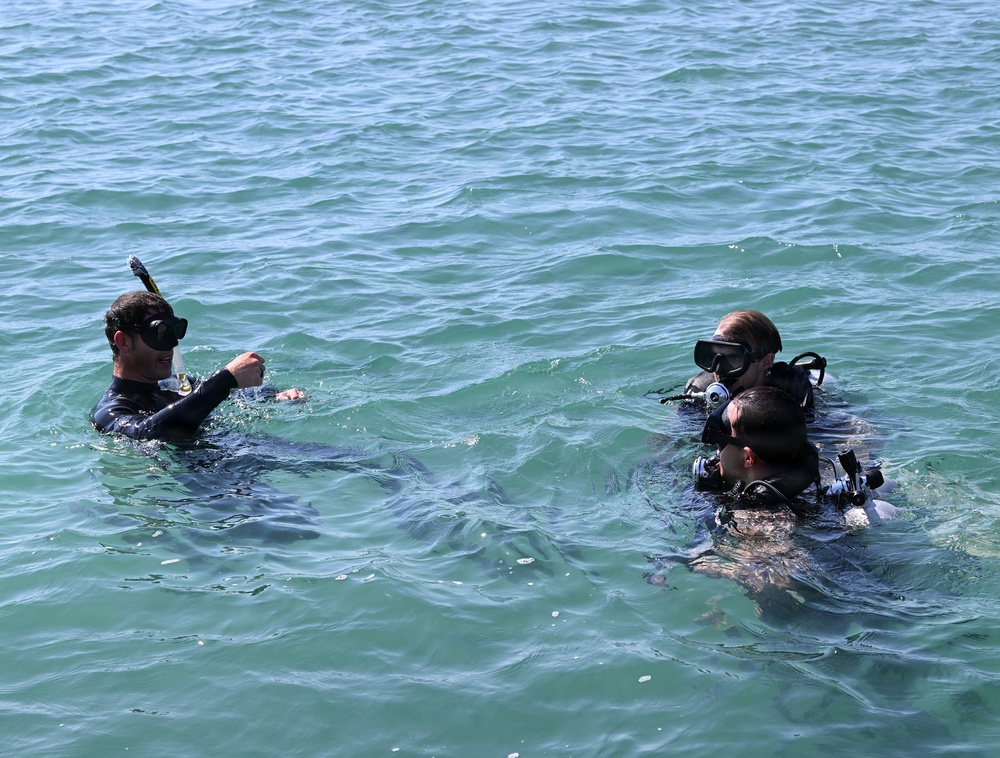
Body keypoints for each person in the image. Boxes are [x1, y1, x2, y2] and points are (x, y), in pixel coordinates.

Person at [91, 290, 304, 441]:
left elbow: (233, 396)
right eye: (159, 333)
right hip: (198, 482)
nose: (172, 344)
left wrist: (274, 396)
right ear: (123, 342)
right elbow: (147, 432)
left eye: (174, 331)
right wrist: (225, 378)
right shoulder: (109, 412)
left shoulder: (175, 385)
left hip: (238, 452)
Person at [695, 385, 819, 514]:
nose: (718, 452)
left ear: (747, 458)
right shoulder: (812, 487)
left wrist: (712, 496)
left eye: (722, 441)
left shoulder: (752, 519)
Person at [685, 310, 823, 409]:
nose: (719, 369)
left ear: (766, 361)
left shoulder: (794, 397)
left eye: (733, 357)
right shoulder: (700, 391)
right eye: (715, 356)